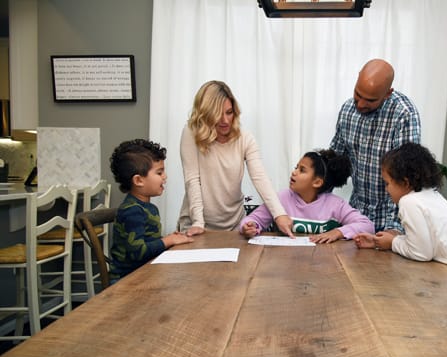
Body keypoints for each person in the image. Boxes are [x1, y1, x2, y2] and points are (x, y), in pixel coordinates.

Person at [354, 143, 447, 292]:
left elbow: (420, 253)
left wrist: (393, 242)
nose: (386, 189)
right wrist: (383, 241)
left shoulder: (409, 202)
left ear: (405, 182)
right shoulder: (430, 195)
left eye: (387, 183)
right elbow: (426, 245)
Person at [178, 80, 293, 237]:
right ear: (206, 114)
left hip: (234, 224)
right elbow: (192, 179)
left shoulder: (245, 138)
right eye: (218, 114)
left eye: (229, 112)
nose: (225, 120)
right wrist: (198, 222)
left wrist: (279, 214)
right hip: (196, 224)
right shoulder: (191, 133)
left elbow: (260, 178)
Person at [330, 59, 421, 232]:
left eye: (370, 100)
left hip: (390, 221)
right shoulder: (348, 110)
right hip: (355, 218)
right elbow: (336, 162)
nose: (361, 104)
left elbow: (404, 179)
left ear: (388, 94)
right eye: (358, 94)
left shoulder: (404, 115)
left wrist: (392, 230)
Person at [239, 149, 374, 243]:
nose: (294, 172)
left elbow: (367, 226)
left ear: (317, 182)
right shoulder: (281, 198)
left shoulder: (336, 204)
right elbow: (252, 220)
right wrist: (249, 226)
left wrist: (337, 232)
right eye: (296, 167)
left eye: (302, 170)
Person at [110, 139, 193, 279]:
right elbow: (138, 252)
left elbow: (147, 242)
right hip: (126, 280)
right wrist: (168, 241)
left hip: (145, 273)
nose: (165, 177)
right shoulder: (132, 211)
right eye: (159, 173)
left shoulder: (150, 208)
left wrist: (166, 239)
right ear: (138, 181)